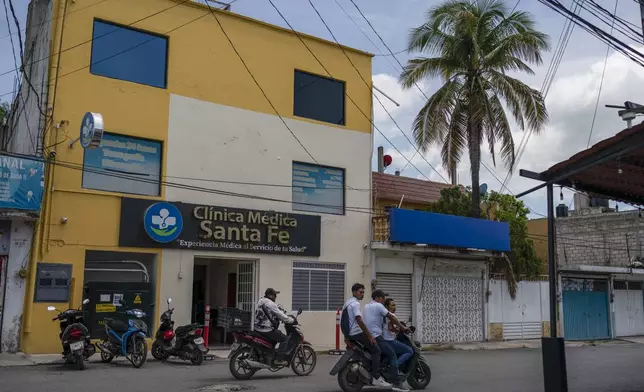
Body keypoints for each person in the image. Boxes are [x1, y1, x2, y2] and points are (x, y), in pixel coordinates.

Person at [342, 283, 391, 389]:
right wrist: (370, 336)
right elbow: (359, 320)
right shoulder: (355, 304)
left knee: (369, 349)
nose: (362, 294)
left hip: (350, 333)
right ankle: (376, 377)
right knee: (376, 350)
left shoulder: (348, 302)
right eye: (360, 292)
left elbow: (345, 321)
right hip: (356, 333)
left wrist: (346, 336)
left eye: (363, 292)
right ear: (354, 292)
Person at [364, 289, 410, 392]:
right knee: (392, 354)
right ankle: (396, 383)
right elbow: (391, 318)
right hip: (377, 336)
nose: (384, 299)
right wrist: (403, 328)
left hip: (368, 336)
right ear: (377, 298)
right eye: (382, 297)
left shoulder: (367, 306)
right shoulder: (379, 306)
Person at [254, 288, 293, 361]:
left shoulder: (261, 301)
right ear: (270, 295)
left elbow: (270, 313)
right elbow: (281, 315)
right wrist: (291, 320)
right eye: (275, 295)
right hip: (265, 329)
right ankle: (279, 358)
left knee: (275, 337)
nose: (276, 297)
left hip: (257, 327)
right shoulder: (270, 304)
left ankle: (268, 354)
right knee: (285, 339)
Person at [383, 298, 414, 372]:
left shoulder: (383, 315)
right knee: (409, 351)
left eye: (395, 305)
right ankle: (395, 366)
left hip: (383, 340)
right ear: (387, 307)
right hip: (389, 341)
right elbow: (390, 328)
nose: (394, 307)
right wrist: (398, 330)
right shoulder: (391, 315)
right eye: (392, 305)